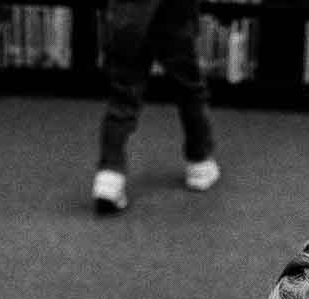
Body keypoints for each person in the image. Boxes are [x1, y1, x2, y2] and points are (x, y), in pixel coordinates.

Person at [92, 0, 219, 215]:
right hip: (174, 13)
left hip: (127, 17)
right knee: (188, 87)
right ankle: (199, 160)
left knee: (123, 95)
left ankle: (109, 173)